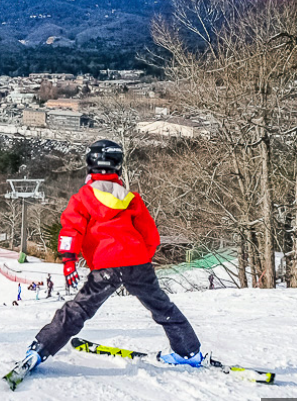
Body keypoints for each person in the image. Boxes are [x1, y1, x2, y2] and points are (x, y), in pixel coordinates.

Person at [14, 140, 204, 379]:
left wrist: (69, 260)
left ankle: (40, 349)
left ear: (90, 164)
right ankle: (188, 352)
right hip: (137, 263)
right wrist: (139, 259)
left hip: (106, 266)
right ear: (118, 166)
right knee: (162, 307)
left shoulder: (83, 198)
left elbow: (71, 231)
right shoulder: (131, 198)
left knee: (79, 309)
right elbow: (151, 237)